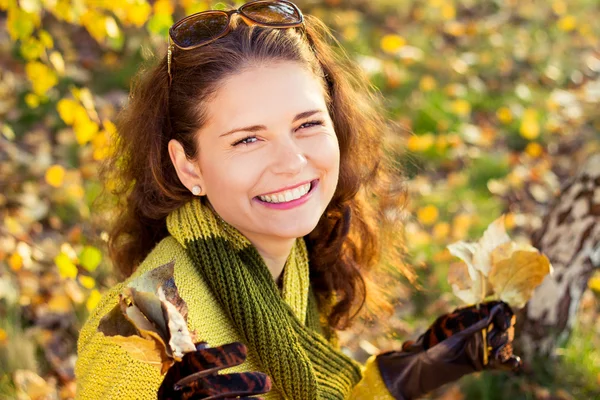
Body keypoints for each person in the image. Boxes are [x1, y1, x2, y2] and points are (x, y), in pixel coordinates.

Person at [74, 1, 520, 399]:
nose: (292, 161)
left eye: (307, 125)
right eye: (248, 139)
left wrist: (415, 370)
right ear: (189, 166)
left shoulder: (294, 261)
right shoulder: (138, 335)